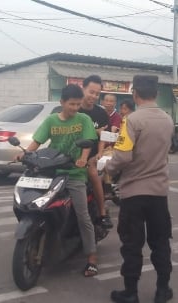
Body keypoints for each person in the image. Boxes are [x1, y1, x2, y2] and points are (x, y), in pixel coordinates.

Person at [16, 84, 100, 277]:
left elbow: (87, 143)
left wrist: (83, 158)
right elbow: (37, 142)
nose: (75, 108)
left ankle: (92, 258)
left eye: (78, 104)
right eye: (72, 104)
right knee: (36, 203)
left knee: (83, 216)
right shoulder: (51, 121)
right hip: (52, 172)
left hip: (74, 173)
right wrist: (26, 154)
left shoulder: (84, 119)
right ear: (62, 102)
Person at [105, 75, 174, 303]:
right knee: (160, 243)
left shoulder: (131, 121)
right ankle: (163, 290)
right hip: (158, 194)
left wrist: (109, 169)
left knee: (132, 245)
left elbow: (123, 156)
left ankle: (131, 293)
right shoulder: (167, 119)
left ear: (135, 94)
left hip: (134, 194)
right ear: (156, 93)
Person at [79, 75, 113, 230]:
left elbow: (103, 137)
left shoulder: (101, 113)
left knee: (93, 173)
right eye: (91, 92)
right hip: (72, 154)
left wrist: (99, 153)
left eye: (97, 94)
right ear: (83, 88)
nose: (93, 96)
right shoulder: (74, 108)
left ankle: (102, 213)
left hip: (91, 155)